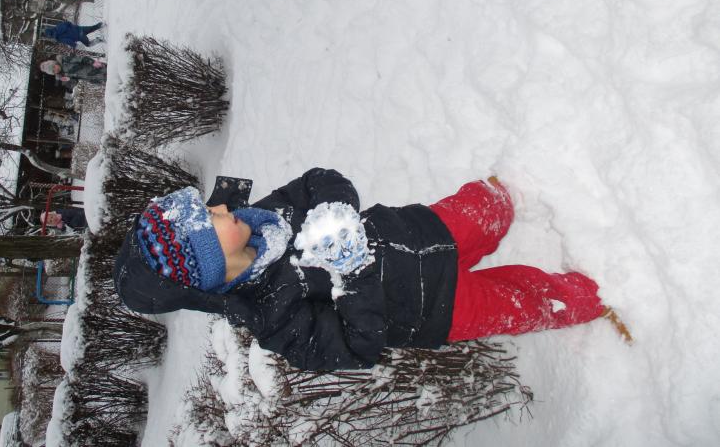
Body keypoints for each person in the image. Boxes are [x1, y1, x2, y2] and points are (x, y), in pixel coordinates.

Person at [113, 168, 630, 372]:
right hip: (436, 310)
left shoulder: (267, 217)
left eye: (209, 206)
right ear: (211, 266)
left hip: (420, 231)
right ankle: (597, 296)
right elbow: (357, 348)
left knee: (483, 209)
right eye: (211, 221)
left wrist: (335, 209)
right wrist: (351, 271)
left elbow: (319, 181)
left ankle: (526, 179)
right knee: (521, 302)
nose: (220, 207)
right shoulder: (273, 316)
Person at [39, 54, 107, 85]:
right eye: (53, 71)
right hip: (97, 79)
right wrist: (69, 80)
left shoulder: (65, 60)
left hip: (98, 68)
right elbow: (76, 81)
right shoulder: (62, 76)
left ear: (54, 63)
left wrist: (92, 62)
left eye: (54, 67)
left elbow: (81, 58)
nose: (55, 70)